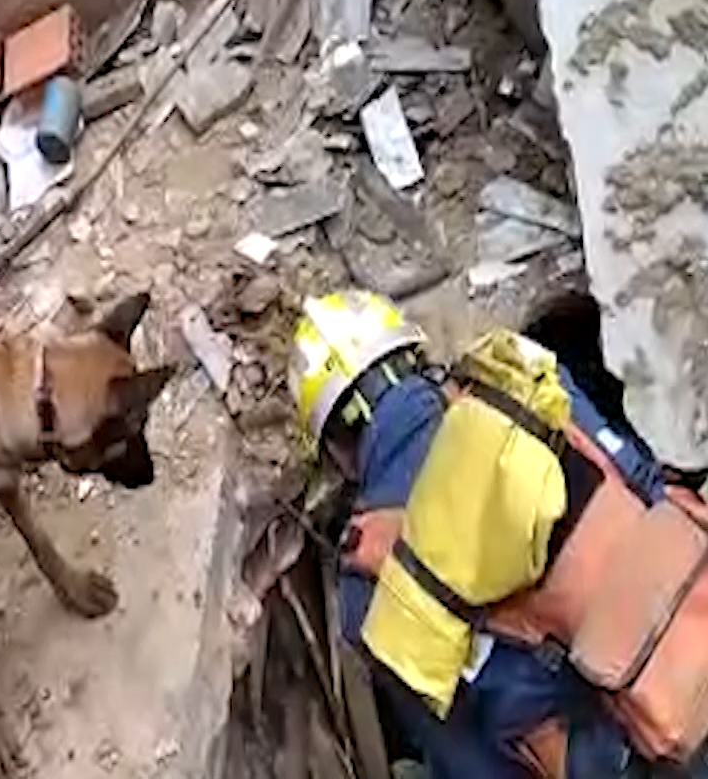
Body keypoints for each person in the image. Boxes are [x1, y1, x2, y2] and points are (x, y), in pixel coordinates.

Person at [290, 291, 708, 779]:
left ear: (338, 451)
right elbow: (642, 480)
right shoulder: (520, 383)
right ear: (416, 359)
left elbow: (466, 757)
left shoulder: (366, 578)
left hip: (615, 755)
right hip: (692, 616)